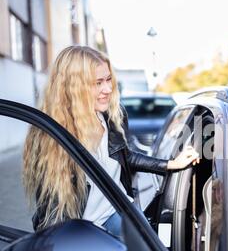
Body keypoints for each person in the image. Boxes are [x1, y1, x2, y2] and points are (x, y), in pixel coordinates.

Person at [23, 45, 200, 237]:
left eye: (108, 80)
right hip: (82, 228)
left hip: (119, 211)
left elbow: (125, 156)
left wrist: (171, 164)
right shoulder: (51, 134)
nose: (108, 89)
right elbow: (52, 208)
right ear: (73, 86)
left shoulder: (112, 116)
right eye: (97, 83)